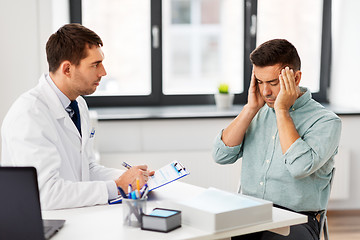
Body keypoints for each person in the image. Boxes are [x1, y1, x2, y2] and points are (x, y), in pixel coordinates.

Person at [1, 23, 153, 210]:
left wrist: (131, 177)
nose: (103, 72)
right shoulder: (29, 114)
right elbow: (46, 194)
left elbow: (87, 169)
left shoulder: (78, 103)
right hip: (42, 225)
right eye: (95, 65)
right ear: (67, 69)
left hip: (75, 216)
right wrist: (117, 186)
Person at [212, 39, 341, 240]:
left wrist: (282, 111)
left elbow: (299, 167)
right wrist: (250, 109)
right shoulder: (258, 110)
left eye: (273, 83)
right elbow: (221, 155)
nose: (266, 92)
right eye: (260, 82)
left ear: (296, 78)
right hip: (249, 213)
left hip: (296, 220)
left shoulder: (326, 122)